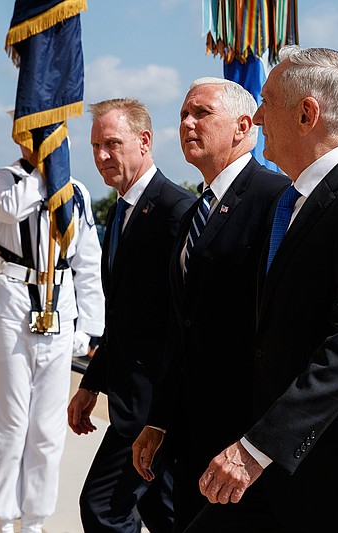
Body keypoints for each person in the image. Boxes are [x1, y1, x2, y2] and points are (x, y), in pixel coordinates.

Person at [143, 46, 338, 533]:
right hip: (279, 461)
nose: (257, 117)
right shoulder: (295, 200)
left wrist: (255, 450)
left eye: (267, 102)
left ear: (306, 114)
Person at [131, 78, 290, 531]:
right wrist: (160, 420)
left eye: (201, 113)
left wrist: (257, 443)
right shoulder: (195, 212)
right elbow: (182, 328)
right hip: (193, 436)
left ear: (243, 126)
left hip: (243, 442)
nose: (186, 123)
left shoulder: (275, 199)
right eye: (183, 114)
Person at [67, 98, 193, 532]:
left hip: (155, 406)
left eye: (113, 144)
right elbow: (123, 316)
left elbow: (179, 321)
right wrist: (91, 382)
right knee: (165, 514)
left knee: (104, 508)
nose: (102, 156)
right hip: (130, 398)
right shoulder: (119, 211)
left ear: (144, 141)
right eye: (96, 145)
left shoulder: (175, 209)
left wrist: (161, 415)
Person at [0, 143, 105, 533]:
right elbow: (10, 209)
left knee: (47, 428)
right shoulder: (4, 179)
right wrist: (48, 173)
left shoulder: (77, 193)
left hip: (60, 308)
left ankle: (34, 519)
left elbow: (88, 263)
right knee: (10, 423)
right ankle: (1, 518)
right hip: (13, 305)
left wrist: (88, 326)